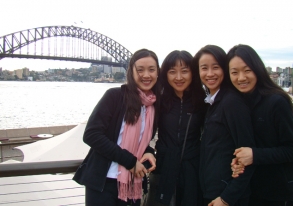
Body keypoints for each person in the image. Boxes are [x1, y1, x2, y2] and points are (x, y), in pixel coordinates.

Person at [73, 48, 161, 206]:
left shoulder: (153, 106)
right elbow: (92, 134)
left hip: (133, 184)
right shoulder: (115, 96)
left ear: (157, 73)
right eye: (140, 70)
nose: (146, 75)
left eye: (151, 70)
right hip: (103, 184)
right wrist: (130, 162)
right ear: (131, 72)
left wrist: (149, 151)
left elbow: (143, 140)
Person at [228, 44, 293, 206]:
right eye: (234, 72)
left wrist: (254, 155)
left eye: (247, 70)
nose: (241, 78)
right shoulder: (238, 103)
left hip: (280, 194)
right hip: (253, 191)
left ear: (258, 69)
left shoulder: (277, 102)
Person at [194, 45, 256, 206]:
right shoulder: (213, 103)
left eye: (216, 67)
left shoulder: (232, 103)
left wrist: (226, 198)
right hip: (213, 192)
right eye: (204, 68)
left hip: (227, 197)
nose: (210, 74)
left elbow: (247, 157)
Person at [146, 50, 206, 206]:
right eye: (172, 72)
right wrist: (148, 151)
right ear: (165, 74)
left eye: (184, 71)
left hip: (193, 169)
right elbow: (145, 135)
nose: (179, 78)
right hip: (164, 168)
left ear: (193, 73)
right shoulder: (158, 101)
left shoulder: (203, 102)